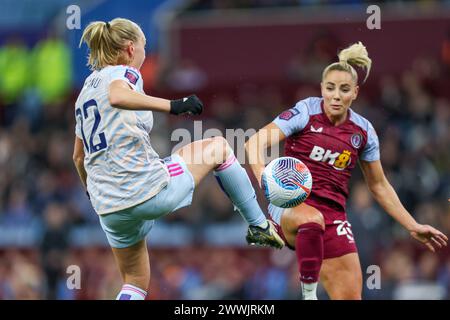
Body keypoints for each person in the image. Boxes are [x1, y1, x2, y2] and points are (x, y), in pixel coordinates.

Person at [72, 18, 284, 300]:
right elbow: (117, 95)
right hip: (145, 189)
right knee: (220, 147)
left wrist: (94, 194)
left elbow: (78, 157)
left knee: (135, 282)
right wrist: (174, 105)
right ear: (130, 48)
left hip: (109, 207)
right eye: (145, 47)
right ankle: (259, 225)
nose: (145, 54)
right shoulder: (123, 74)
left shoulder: (85, 92)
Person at [245, 42, 448, 300]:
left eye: (344, 89)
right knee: (311, 220)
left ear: (355, 92)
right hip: (290, 206)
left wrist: (411, 224)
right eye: (330, 88)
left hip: (334, 217)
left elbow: (379, 185)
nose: (336, 95)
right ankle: (309, 295)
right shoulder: (305, 111)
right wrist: (264, 177)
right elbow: (255, 143)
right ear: (322, 89)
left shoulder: (363, 132)